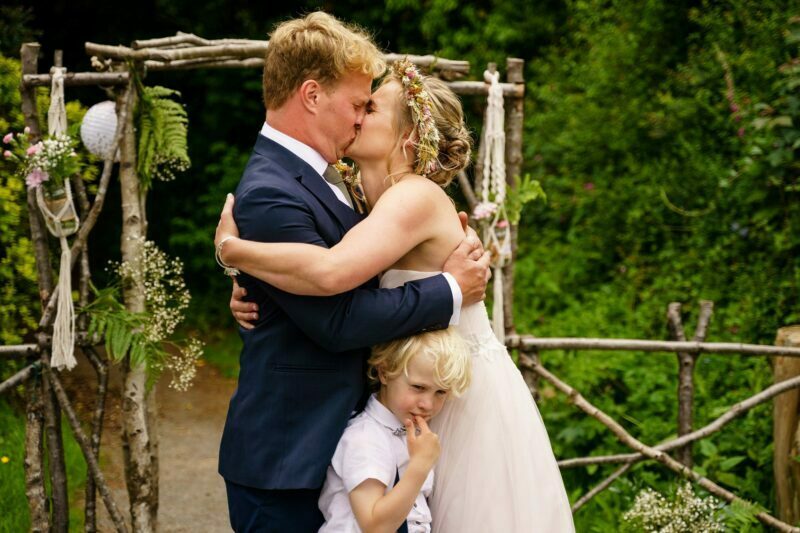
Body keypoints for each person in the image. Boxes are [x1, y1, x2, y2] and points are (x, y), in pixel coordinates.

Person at [218, 59, 575, 531]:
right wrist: (254, 283)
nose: (358, 115)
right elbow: (325, 273)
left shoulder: (412, 197)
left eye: (372, 109)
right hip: (412, 393)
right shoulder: (373, 202)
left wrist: (233, 250)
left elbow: (331, 272)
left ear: (407, 137)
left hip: (450, 398)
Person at [319, 328, 471, 533]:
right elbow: (374, 526)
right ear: (384, 372)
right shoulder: (365, 438)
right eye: (418, 387)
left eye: (440, 392)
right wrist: (419, 466)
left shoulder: (412, 433)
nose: (427, 404)